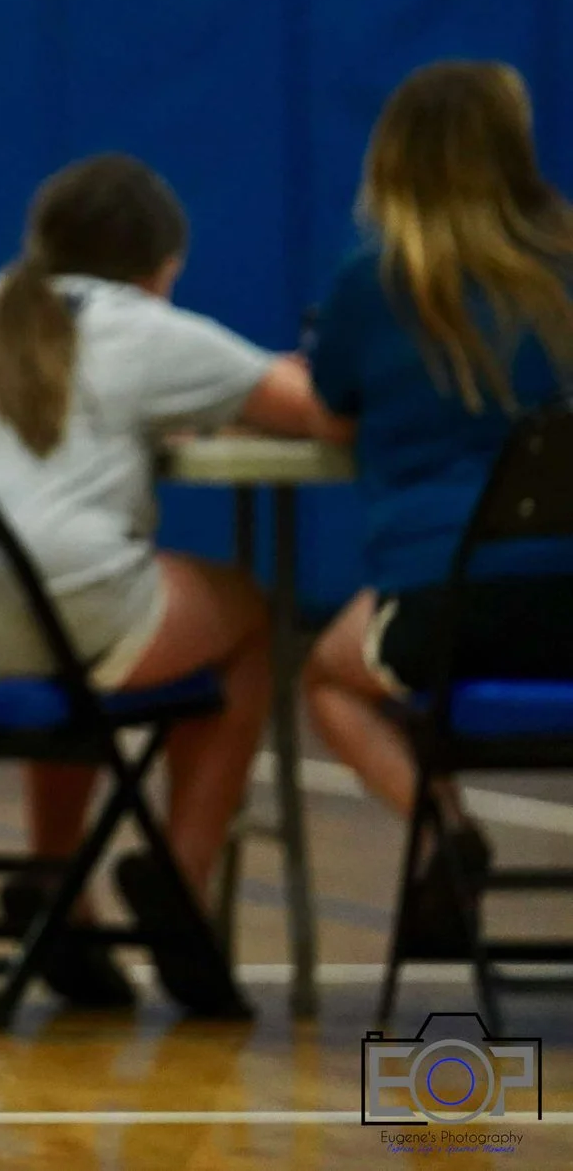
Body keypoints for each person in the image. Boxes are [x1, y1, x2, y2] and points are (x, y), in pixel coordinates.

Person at [0, 154, 338, 1018]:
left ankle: (58, 878)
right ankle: (178, 880)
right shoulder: (141, 326)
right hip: (34, 617)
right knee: (243, 617)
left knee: (65, 627)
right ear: (160, 269)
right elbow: (320, 409)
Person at [300, 60, 573, 952]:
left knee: (330, 677)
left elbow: (331, 407)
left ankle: (445, 830)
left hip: (448, 608)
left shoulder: (370, 280)